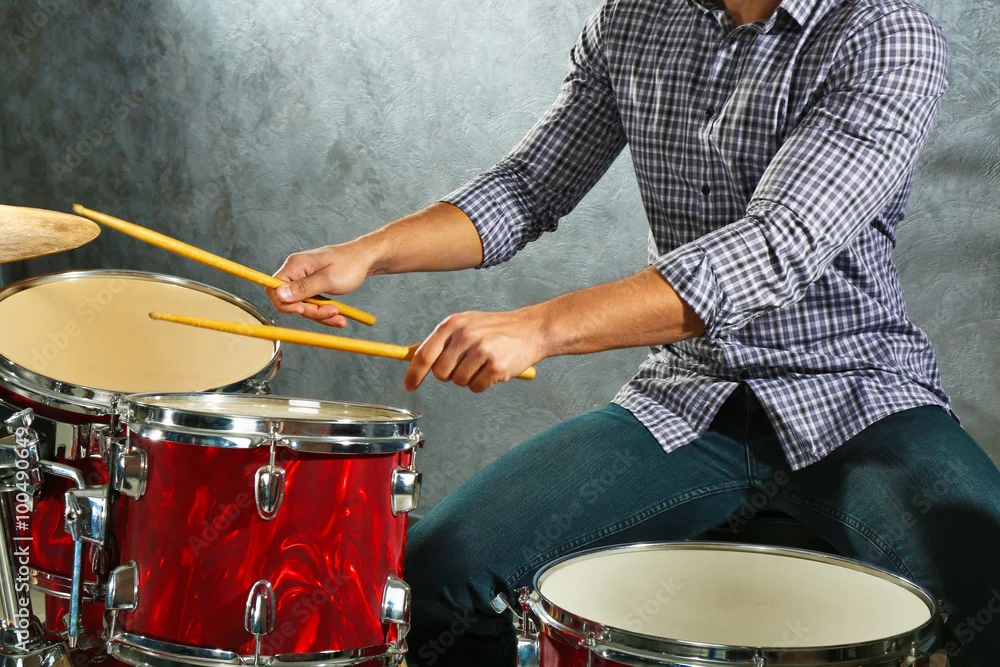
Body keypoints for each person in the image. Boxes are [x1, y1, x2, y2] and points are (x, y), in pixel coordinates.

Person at [266, 0, 1000, 664]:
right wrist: (367, 253)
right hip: (690, 399)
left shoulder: (884, 30)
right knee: (433, 581)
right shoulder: (633, 18)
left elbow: (776, 246)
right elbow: (527, 187)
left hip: (858, 398)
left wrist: (540, 328)